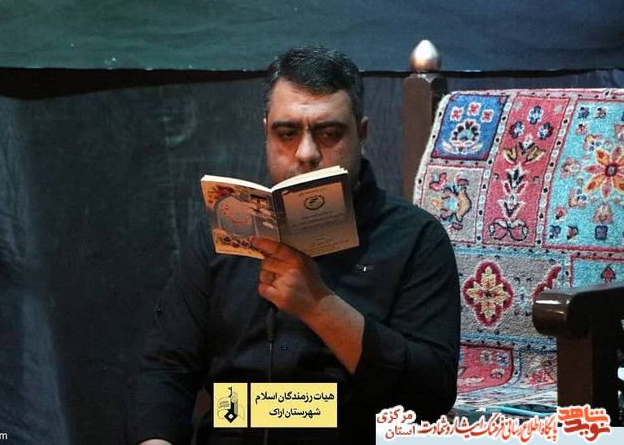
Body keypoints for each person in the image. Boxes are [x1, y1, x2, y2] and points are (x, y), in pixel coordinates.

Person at [126, 46, 460, 445]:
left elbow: (431, 396)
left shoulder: (415, 239)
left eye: (329, 133)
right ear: (266, 131)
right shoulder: (224, 235)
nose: (306, 154)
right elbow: (165, 369)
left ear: (362, 134)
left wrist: (319, 306)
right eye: (286, 134)